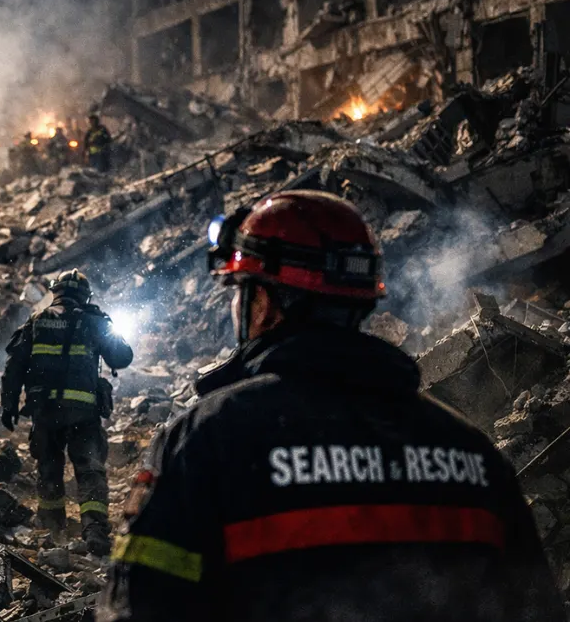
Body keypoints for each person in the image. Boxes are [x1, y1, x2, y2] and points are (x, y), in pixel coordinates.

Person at [101, 190, 563, 622]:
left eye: (239, 292)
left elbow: (139, 606)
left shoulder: (206, 442)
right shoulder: (473, 456)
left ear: (261, 303)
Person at [1, 269, 133, 557]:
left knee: (49, 468)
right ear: (86, 295)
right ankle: (95, 532)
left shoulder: (37, 321)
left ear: (55, 292)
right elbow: (122, 357)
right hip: (83, 413)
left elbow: (14, 368)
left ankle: (52, 530)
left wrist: (8, 406)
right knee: (90, 470)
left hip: (46, 413)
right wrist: (107, 328)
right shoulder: (95, 321)